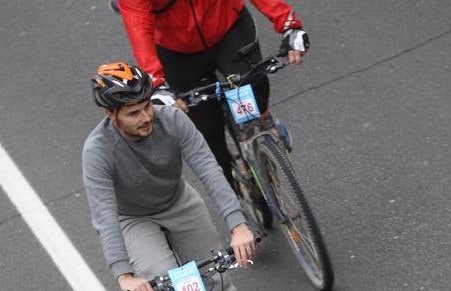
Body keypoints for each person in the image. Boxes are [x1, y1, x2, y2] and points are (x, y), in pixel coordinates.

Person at [83, 60, 283, 291]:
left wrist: (238, 225)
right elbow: (104, 215)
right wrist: (125, 275)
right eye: (133, 113)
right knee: (161, 278)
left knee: (219, 283)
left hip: (178, 201)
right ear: (112, 115)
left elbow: (207, 166)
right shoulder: (97, 151)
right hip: (133, 219)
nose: (146, 117)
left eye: (147, 107)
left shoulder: (172, 119)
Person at [111, 0, 310, 184]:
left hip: (228, 28)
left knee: (251, 83)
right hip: (178, 51)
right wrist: (155, 83)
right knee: (209, 134)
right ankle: (237, 201)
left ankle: (264, 120)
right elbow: (138, 26)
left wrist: (288, 24)